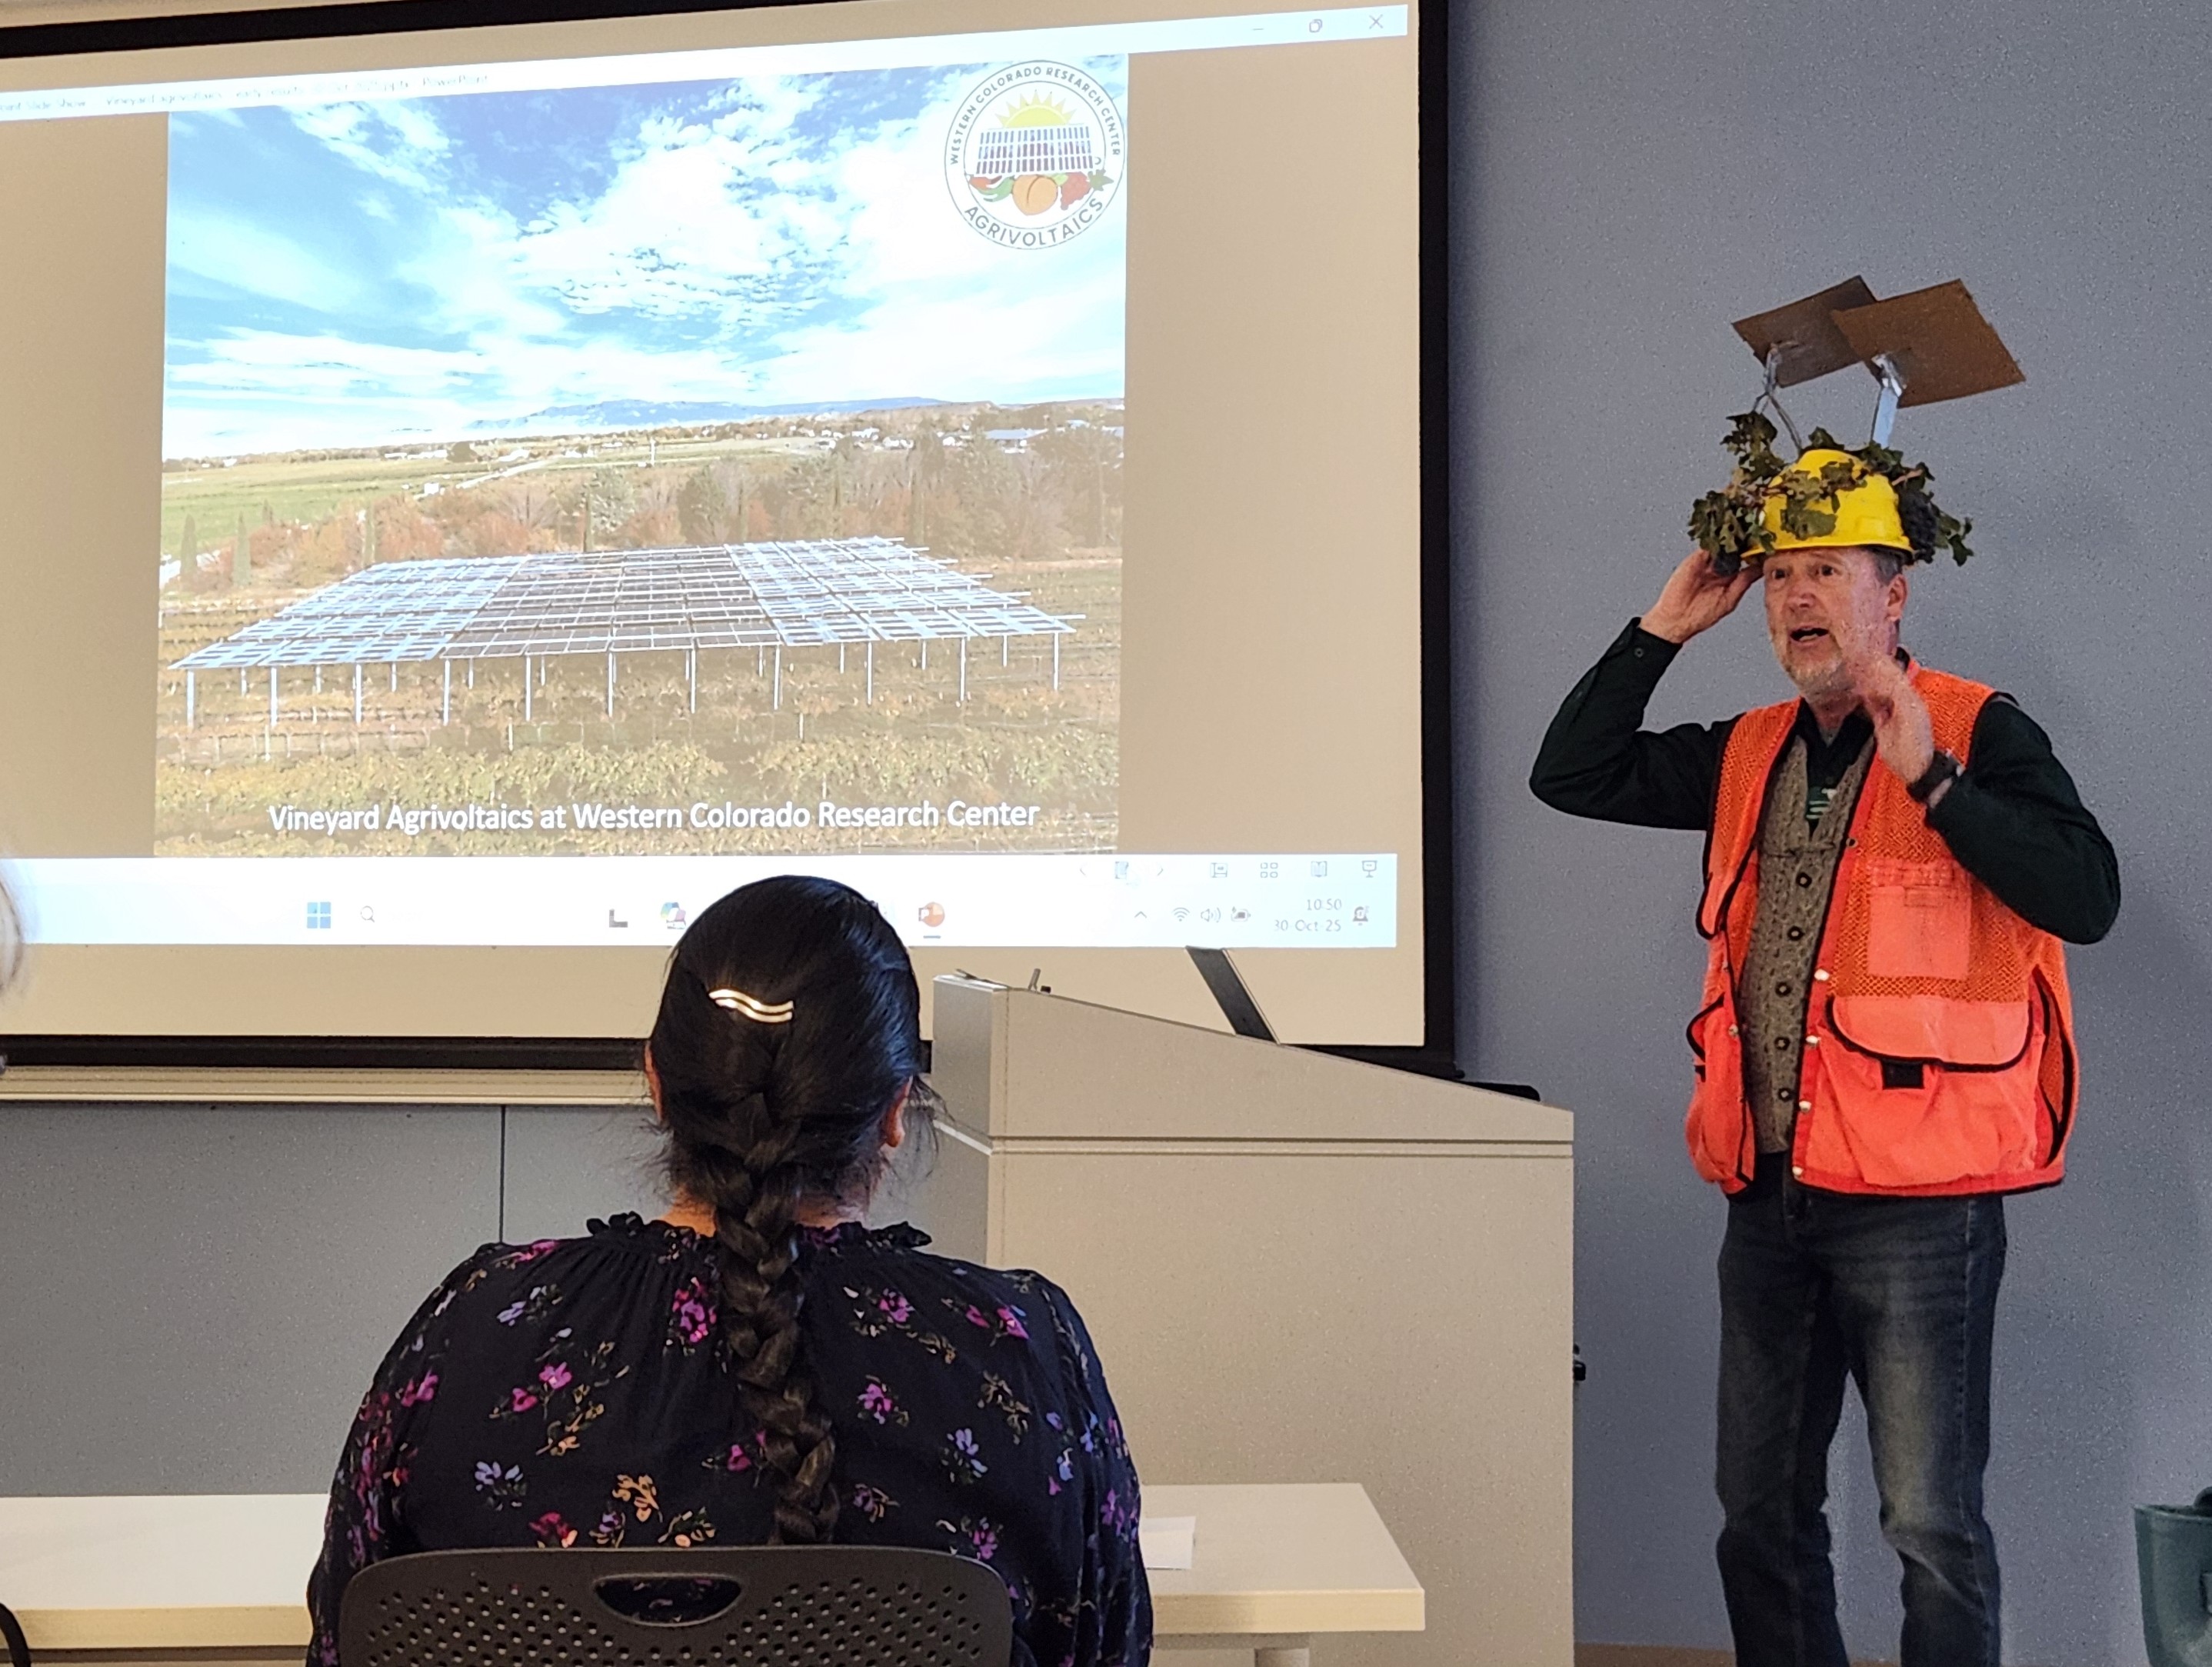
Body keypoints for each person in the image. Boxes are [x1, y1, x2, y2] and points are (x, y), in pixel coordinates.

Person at [1530, 447, 2118, 1667]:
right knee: (1758, 1517)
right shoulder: (1749, 747)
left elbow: (2086, 894)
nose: (1798, 594)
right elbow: (1572, 770)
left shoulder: (1978, 728)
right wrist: (1660, 629)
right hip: (1771, 1192)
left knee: (1930, 1523)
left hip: (1924, 1208)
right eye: (1782, 571)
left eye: (1829, 568)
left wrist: (1936, 782)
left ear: (1893, 593)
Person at [305, 875, 1151, 1667]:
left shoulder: (475, 1325)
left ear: (657, 1083)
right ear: (895, 1110)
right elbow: (1106, 1644)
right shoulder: (1020, 1348)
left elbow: (348, 1631)